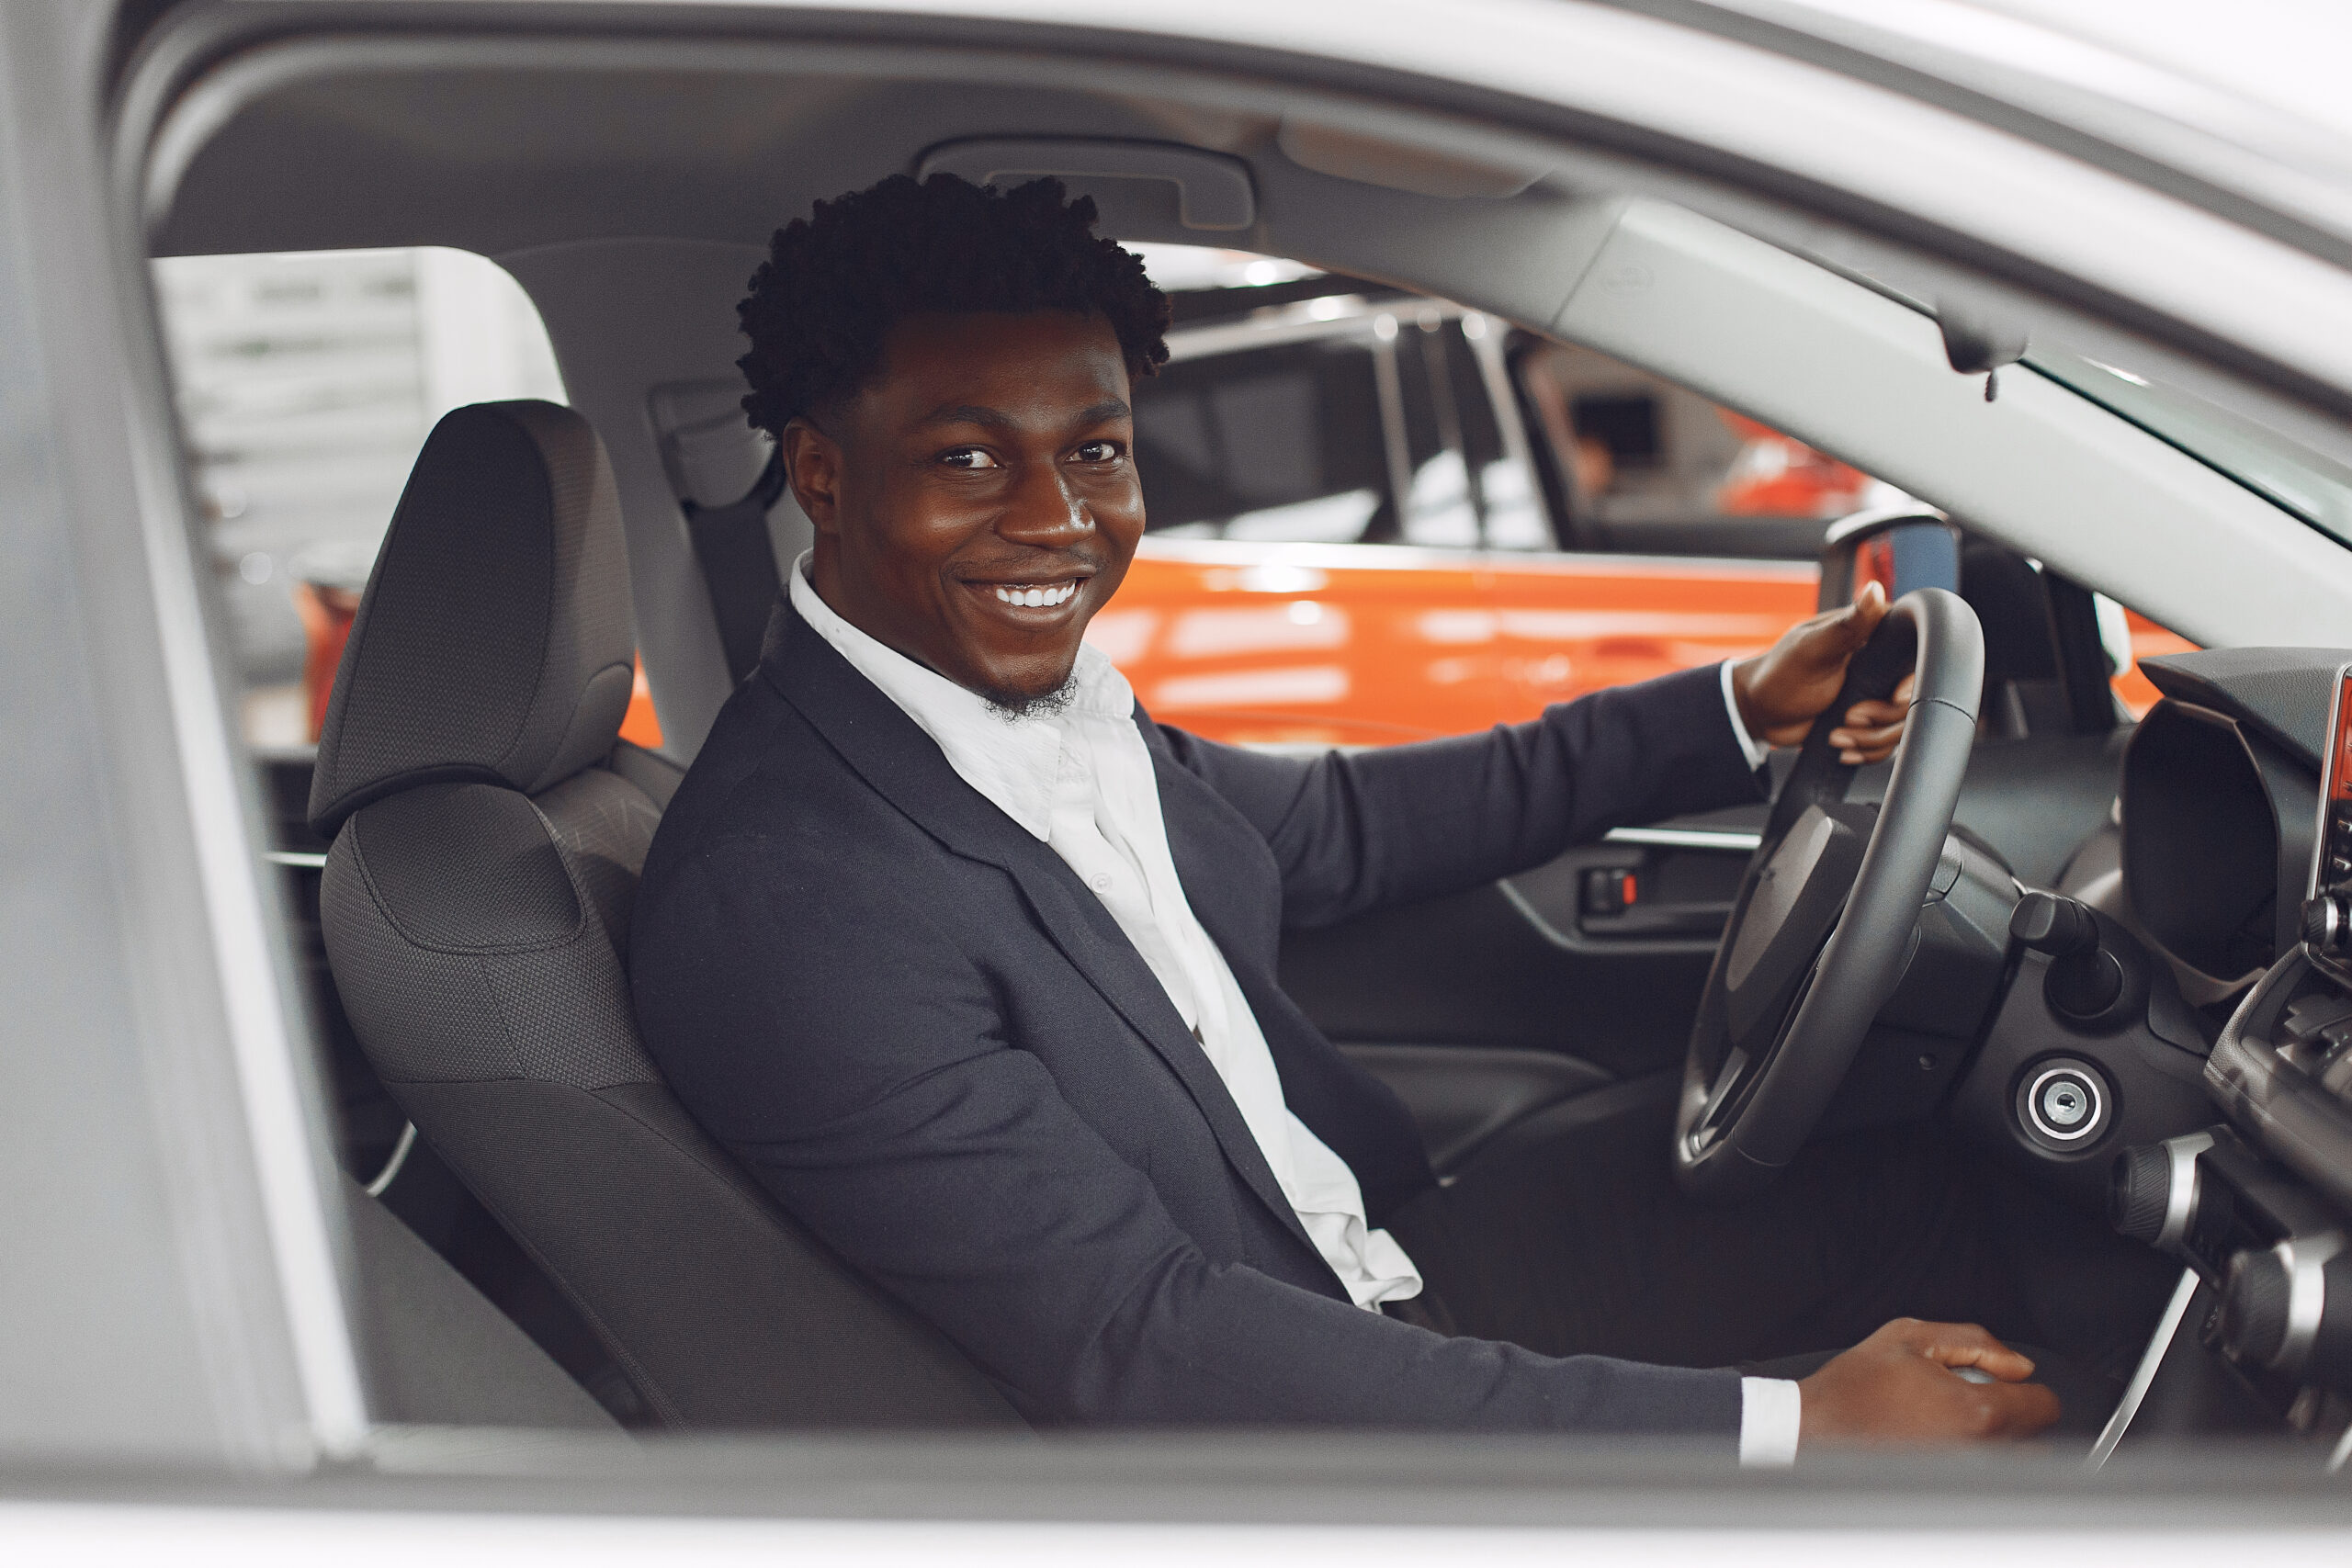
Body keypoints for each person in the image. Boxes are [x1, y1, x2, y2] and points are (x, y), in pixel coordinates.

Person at [628, 173, 2064, 1459]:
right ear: (823, 475)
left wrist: (1734, 709)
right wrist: (1793, 1432)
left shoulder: (1025, 713)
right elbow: (1148, 1346)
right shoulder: (791, 904)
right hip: (1285, 1431)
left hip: (1370, 1263)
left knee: (1911, 1174)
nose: (1058, 517)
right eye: (967, 459)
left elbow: (1345, 825)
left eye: (1098, 450)